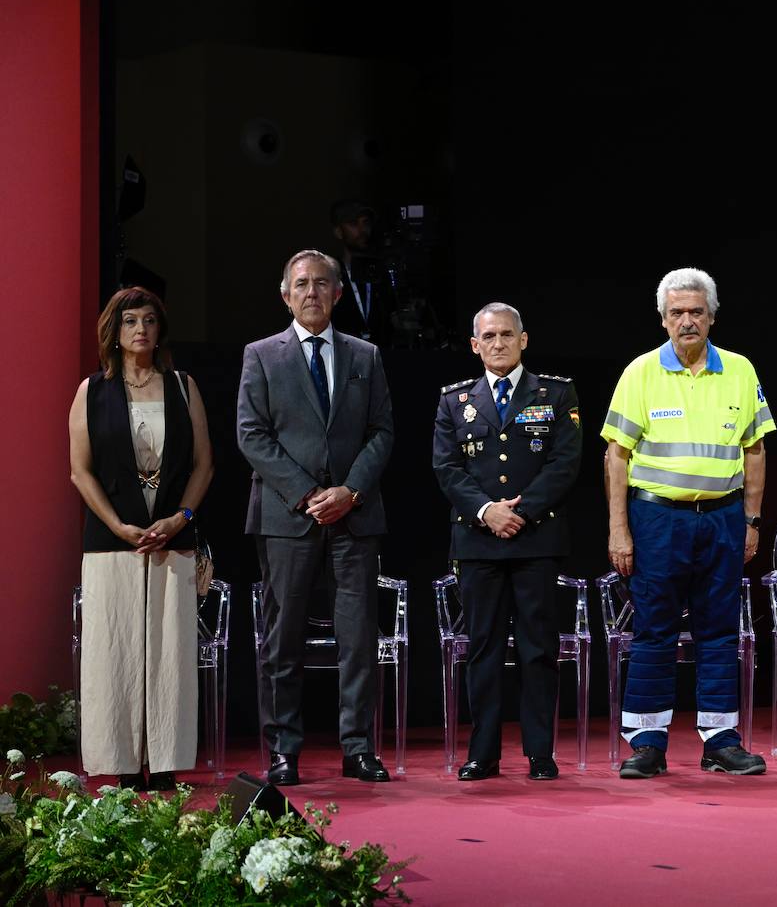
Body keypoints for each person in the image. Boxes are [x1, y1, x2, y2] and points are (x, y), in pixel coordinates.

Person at [602, 267, 774, 778]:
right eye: (676, 312)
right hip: (657, 518)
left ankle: (720, 740)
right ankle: (647, 743)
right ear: (662, 320)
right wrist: (618, 528)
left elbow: (756, 450)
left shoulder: (741, 371)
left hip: (722, 516)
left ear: (713, 316)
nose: (687, 321)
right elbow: (616, 456)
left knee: (719, 630)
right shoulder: (640, 373)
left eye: (696, 311)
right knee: (654, 630)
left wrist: (752, 520)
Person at [237, 248, 396, 785]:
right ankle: (283, 751)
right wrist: (308, 494)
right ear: (285, 294)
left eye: (321, 283)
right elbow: (251, 435)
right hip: (288, 517)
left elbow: (381, 433)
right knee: (283, 640)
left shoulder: (365, 356)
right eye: (301, 284)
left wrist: (349, 491)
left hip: (355, 515)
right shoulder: (261, 355)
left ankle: (359, 749)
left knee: (358, 640)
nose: (311, 292)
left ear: (338, 292)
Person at [67, 287, 213, 791]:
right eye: (131, 320)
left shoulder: (182, 385)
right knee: (116, 650)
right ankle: (124, 764)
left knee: (170, 650)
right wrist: (115, 524)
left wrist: (180, 517)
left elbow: (203, 464)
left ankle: (167, 761)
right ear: (115, 330)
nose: (141, 329)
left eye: (150, 320)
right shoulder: (92, 391)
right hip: (113, 540)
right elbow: (80, 472)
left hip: (172, 536)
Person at [433, 302, 582, 781]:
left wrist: (521, 511)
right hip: (478, 542)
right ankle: (484, 752)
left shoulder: (555, 393)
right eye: (489, 336)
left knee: (539, 648)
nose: (498, 344)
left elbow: (565, 461)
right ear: (475, 345)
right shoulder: (453, 400)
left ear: (523, 340)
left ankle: (540, 752)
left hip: (535, 538)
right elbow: (447, 467)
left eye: (506, 335)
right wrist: (486, 511)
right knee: (484, 649)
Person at [330, 199, 394, 348]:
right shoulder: (330, 274)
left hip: (380, 358)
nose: (362, 230)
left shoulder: (380, 271)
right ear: (339, 232)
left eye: (366, 223)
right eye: (353, 224)